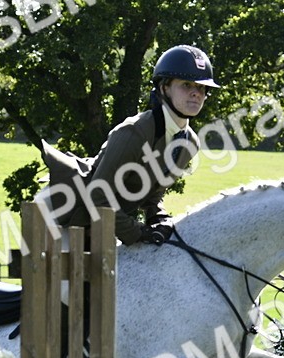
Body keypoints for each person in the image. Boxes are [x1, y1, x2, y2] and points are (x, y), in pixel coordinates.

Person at [41, 45, 218, 245]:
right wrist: (138, 232)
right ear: (164, 87)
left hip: (104, 219)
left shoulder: (189, 143)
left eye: (201, 87)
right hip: (63, 214)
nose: (196, 93)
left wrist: (157, 216)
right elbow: (98, 198)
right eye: (187, 85)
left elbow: (155, 191)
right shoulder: (134, 132)